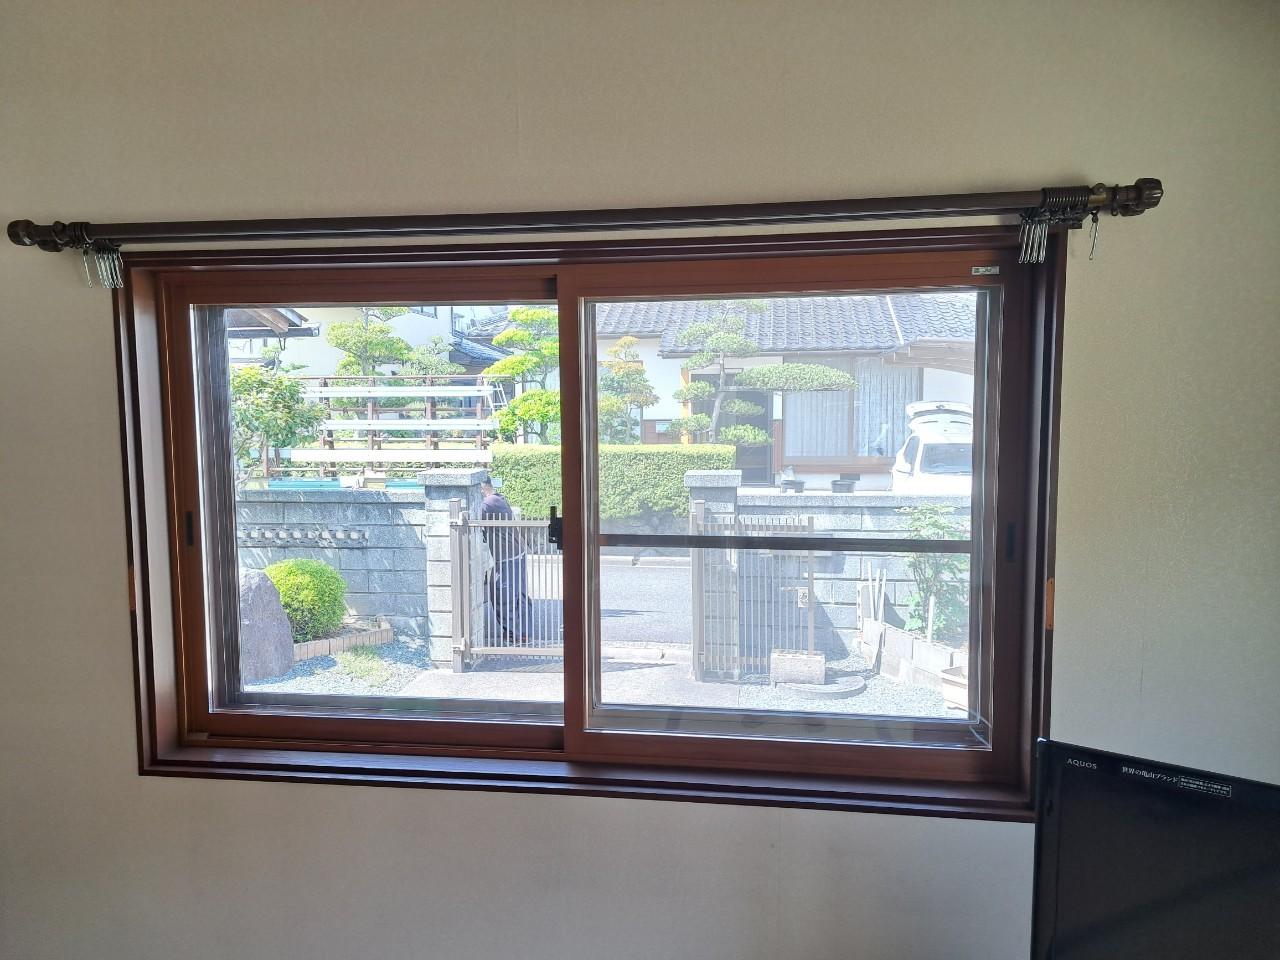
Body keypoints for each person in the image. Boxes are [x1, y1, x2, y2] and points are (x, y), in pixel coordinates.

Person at [479, 475, 532, 644]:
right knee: (518, 594)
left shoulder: (488, 503)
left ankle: (514, 634)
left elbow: (471, 519)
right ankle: (523, 632)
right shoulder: (499, 499)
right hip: (515, 554)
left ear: (481, 489)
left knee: (502, 594)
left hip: (507, 557)